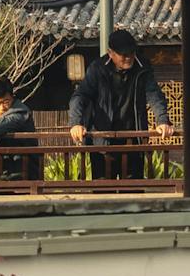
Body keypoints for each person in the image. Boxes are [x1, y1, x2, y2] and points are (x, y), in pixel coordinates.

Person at [68, 29, 174, 182]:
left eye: (131, 53)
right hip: (102, 141)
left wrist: (162, 120)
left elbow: (154, 94)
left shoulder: (142, 66)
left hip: (133, 140)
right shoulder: (97, 68)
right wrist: (76, 123)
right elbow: (80, 96)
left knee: (133, 189)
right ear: (111, 53)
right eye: (123, 54)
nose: (129, 58)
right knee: (104, 190)